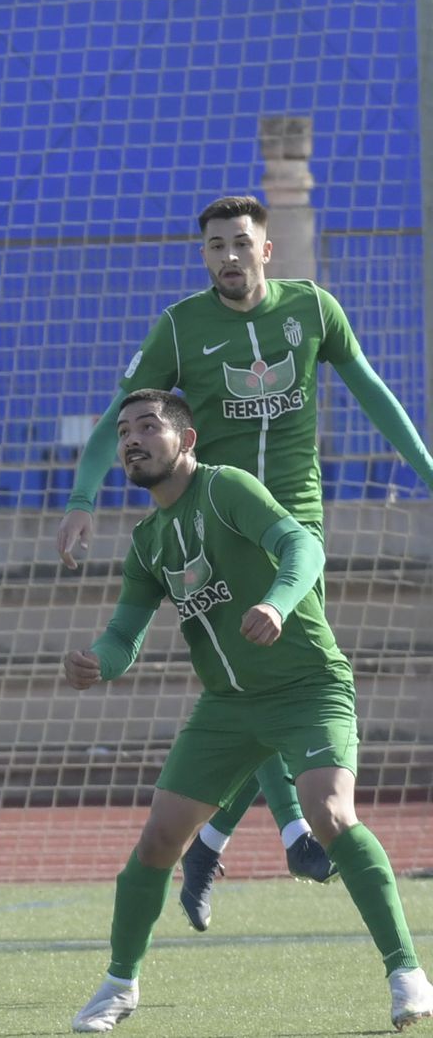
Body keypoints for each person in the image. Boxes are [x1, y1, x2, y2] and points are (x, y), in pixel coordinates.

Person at [55, 195, 433, 930]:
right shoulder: (179, 325)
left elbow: (372, 390)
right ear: (204, 257)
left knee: (279, 676)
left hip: (291, 523)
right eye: (214, 246)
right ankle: (285, 833)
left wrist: (427, 466)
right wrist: (82, 495)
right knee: (258, 680)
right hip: (214, 519)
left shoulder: (313, 310)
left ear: (268, 249)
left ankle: (223, 838)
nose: (227, 255)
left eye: (240, 242)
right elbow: (119, 418)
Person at [63, 388, 433, 1034]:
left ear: (187, 439)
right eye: (124, 431)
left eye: (148, 426)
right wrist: (99, 660)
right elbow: (125, 634)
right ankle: (120, 984)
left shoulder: (226, 486)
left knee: (330, 814)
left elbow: (302, 546)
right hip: (227, 707)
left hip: (307, 686)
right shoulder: (148, 540)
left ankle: (407, 973)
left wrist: (279, 603)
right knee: (157, 843)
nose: (131, 439)